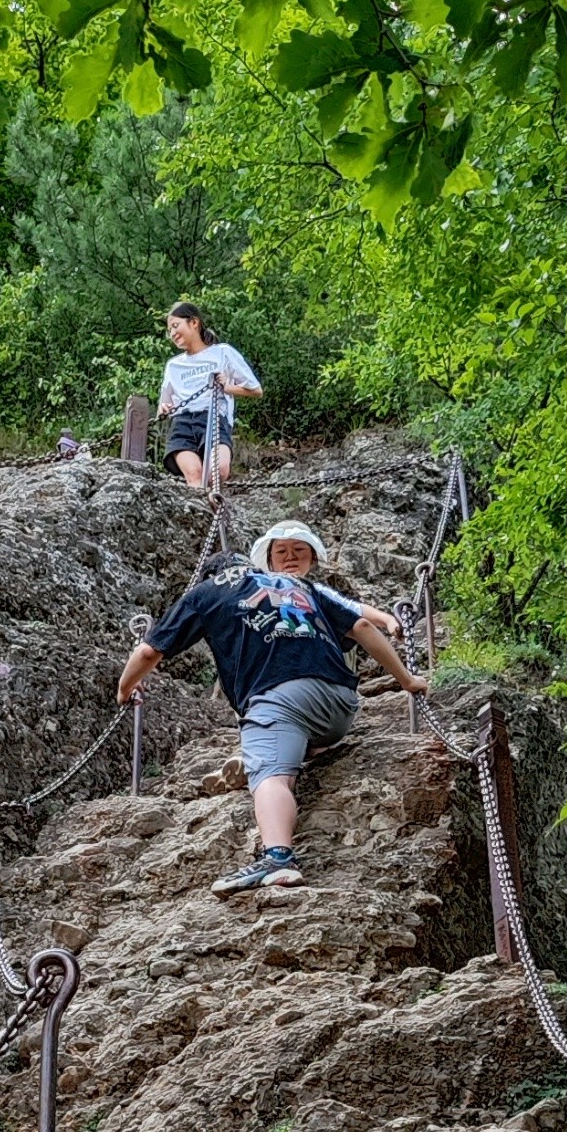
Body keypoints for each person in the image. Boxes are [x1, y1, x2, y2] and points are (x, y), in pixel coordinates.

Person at [118, 519, 420, 893]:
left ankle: (278, 858)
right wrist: (407, 680)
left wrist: (124, 688)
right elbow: (361, 628)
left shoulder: (206, 593)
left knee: (272, 777)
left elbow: (149, 652)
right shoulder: (302, 586)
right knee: (288, 741)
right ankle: (288, 751)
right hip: (340, 709)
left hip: (279, 698)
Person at [156, 300, 260, 490]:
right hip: (182, 423)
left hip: (214, 417)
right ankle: (200, 508)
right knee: (194, 475)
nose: (172, 334)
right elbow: (163, 406)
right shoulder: (173, 366)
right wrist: (164, 409)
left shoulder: (222, 352)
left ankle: (215, 505)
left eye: (175, 326)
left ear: (194, 322)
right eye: (169, 330)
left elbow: (256, 390)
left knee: (218, 471)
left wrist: (228, 387)